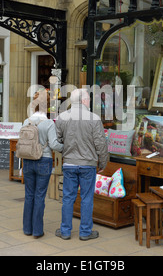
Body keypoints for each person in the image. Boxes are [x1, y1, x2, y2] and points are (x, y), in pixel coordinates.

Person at [55, 88, 109, 241]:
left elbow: (57, 140)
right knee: (86, 198)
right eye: (89, 100)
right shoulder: (94, 118)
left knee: (67, 198)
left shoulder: (62, 117)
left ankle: (65, 231)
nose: (89, 102)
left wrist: (67, 149)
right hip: (88, 164)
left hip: (69, 164)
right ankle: (85, 232)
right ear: (84, 101)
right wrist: (103, 162)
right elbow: (101, 144)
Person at [22, 89, 63, 238]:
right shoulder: (48, 124)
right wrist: (65, 147)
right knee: (39, 196)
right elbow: (54, 145)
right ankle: (37, 230)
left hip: (27, 160)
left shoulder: (27, 121)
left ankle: (27, 228)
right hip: (43, 161)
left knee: (29, 195)